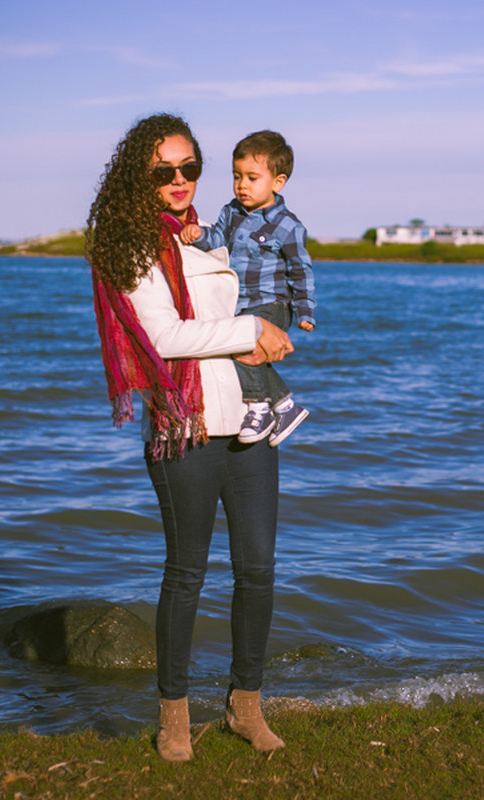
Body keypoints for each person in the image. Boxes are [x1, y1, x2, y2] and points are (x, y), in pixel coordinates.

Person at [87, 113, 293, 762]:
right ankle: (174, 716)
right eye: (163, 170)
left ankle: (244, 705)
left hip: (246, 428)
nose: (179, 181)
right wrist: (250, 333)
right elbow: (164, 339)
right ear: (137, 177)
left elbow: (242, 302)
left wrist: (269, 332)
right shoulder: (130, 246)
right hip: (184, 430)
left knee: (257, 571)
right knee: (186, 575)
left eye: (189, 168)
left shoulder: (209, 236)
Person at [179, 130, 314, 447]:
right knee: (237, 342)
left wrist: (305, 311)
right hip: (238, 304)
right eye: (236, 176)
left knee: (245, 345)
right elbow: (217, 245)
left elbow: (300, 270)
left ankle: (259, 408)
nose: (242, 185)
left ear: (277, 182)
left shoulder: (288, 225)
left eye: (252, 178)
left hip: (272, 304)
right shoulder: (230, 213)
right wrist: (198, 235)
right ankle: (286, 406)